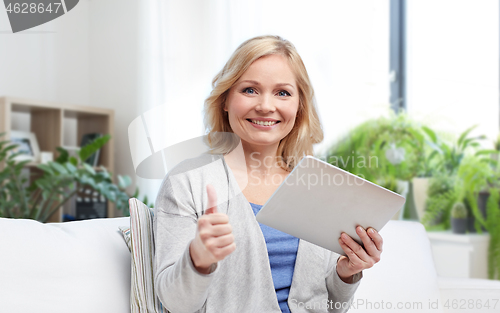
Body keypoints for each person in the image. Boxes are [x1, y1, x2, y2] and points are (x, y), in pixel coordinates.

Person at [153, 35, 383, 313]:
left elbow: (334, 306)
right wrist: (198, 259)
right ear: (225, 100)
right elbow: (175, 304)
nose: (265, 105)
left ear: (299, 107)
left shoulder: (317, 185)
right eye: (249, 90)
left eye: (283, 93)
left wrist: (347, 273)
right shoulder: (187, 182)